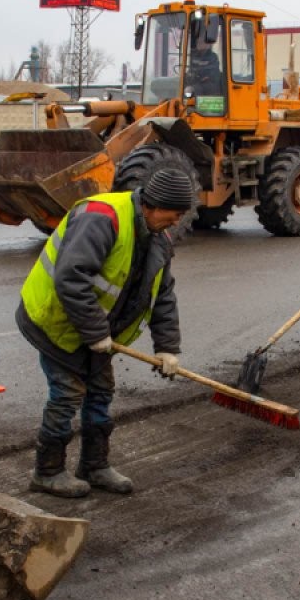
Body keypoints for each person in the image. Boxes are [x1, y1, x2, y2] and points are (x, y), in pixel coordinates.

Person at [16, 168, 195, 498]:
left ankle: (94, 466)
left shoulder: (159, 240)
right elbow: (71, 278)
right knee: (68, 393)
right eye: (175, 213)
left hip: (96, 329)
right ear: (153, 205)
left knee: (100, 391)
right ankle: (47, 471)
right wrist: (96, 331)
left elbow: (163, 294)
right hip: (56, 321)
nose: (177, 221)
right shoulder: (102, 218)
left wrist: (168, 347)